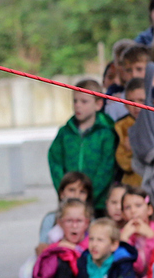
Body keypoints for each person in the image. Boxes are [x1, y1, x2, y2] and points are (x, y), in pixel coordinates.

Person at [45, 81, 117, 211]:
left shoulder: (106, 133)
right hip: (69, 205)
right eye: (75, 101)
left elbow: (107, 167)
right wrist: (66, 191)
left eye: (84, 101)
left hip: (99, 205)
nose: (78, 105)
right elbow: (55, 161)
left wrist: (88, 196)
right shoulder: (64, 133)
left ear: (98, 104)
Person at [39, 172, 93, 243]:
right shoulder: (50, 219)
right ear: (62, 194)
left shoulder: (93, 222)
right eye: (71, 190)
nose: (76, 195)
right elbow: (42, 249)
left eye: (82, 192)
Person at [115, 78, 145, 188]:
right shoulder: (121, 127)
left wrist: (135, 147)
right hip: (132, 186)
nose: (136, 105)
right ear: (125, 105)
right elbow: (124, 164)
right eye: (131, 101)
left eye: (141, 100)